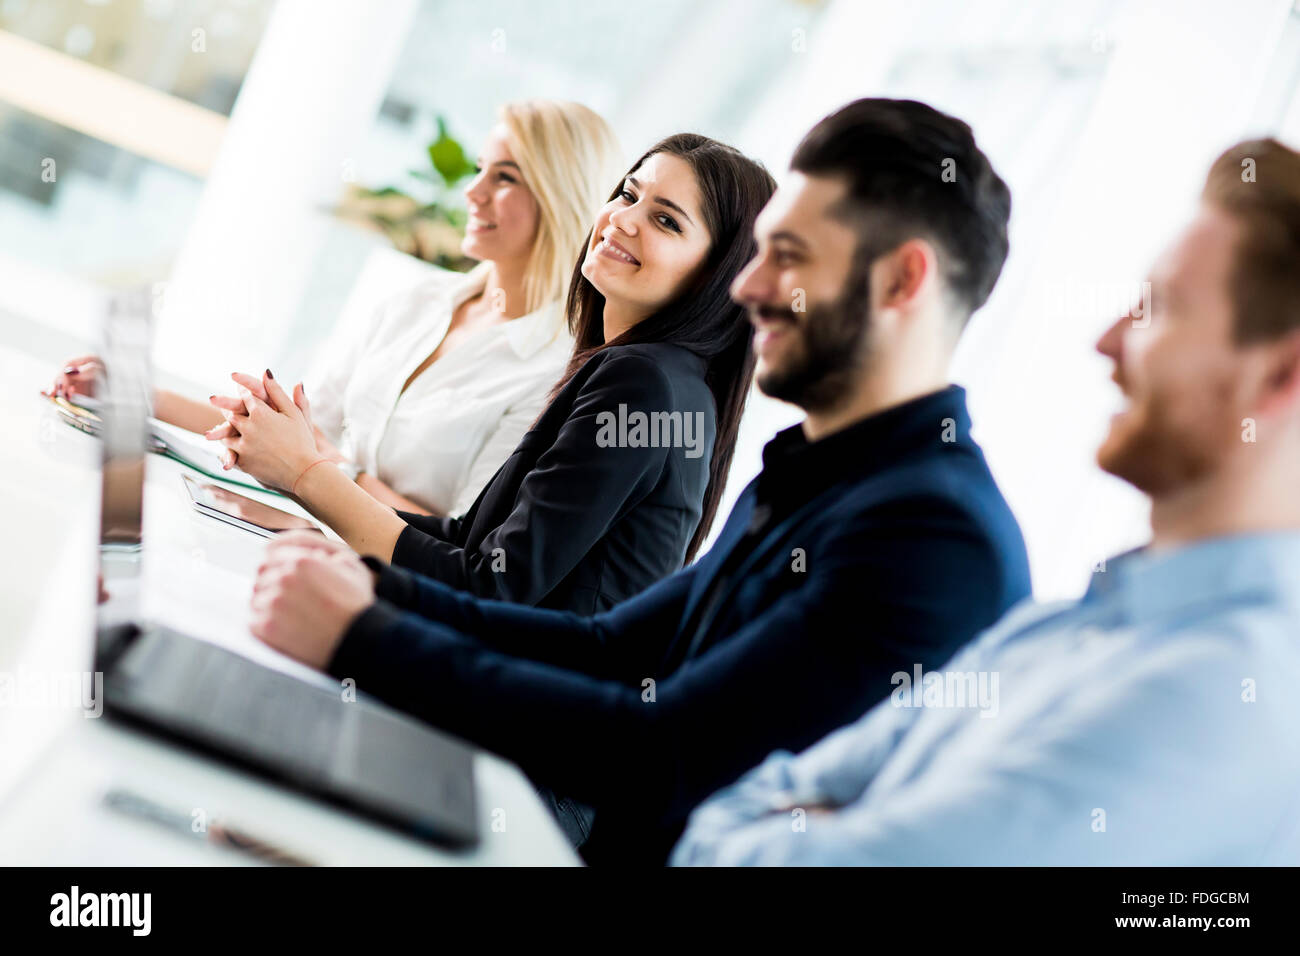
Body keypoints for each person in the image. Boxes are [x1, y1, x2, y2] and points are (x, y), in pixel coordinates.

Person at [244, 98, 1031, 864]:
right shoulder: (813, 473)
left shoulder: (934, 534)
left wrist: (363, 636)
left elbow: (666, 752)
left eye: (786, 257)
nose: (749, 288)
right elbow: (610, 648)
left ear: (902, 282)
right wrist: (366, 590)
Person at [672, 137, 1300, 867]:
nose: (1106, 342)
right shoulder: (1060, 629)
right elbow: (734, 809)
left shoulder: (1224, 693)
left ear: (1281, 374)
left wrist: (815, 822)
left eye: (1156, 309)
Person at [224, 134, 774, 612]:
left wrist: (304, 474)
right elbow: (472, 541)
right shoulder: (658, 379)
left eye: (665, 220)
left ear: (716, 276)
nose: (622, 219)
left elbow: (489, 586)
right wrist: (306, 488)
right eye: (628, 194)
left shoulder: (644, 385)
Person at [48, 99, 623, 518]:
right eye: (478, 170)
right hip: (287, 535)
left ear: (558, 194)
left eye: (505, 178)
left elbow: (461, 536)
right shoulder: (418, 302)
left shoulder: (553, 372)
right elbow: (295, 432)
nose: (473, 193)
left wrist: (327, 470)